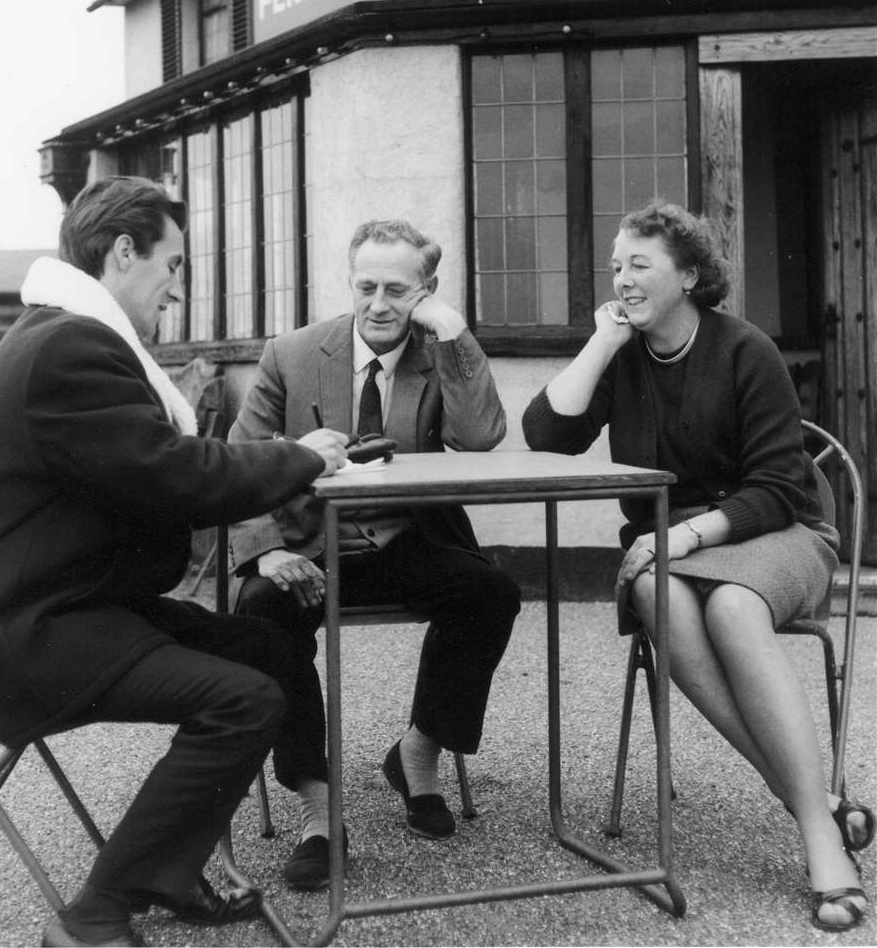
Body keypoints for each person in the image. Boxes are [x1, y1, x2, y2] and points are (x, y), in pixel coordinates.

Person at [0, 177, 349, 948]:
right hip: (19, 636)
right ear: (124, 251)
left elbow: (156, 475)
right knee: (244, 697)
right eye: (173, 263)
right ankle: (94, 913)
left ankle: (173, 868)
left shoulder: (62, 336)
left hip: (49, 607)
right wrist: (297, 457)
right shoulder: (68, 347)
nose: (177, 289)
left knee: (269, 648)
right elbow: (171, 476)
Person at [521, 200, 870, 933]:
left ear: (687, 274)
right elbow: (547, 436)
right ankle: (823, 805)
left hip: (780, 534)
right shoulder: (624, 357)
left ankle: (816, 830)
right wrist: (599, 342)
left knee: (733, 605)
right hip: (668, 551)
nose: (621, 279)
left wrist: (686, 538)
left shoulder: (745, 350)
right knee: (655, 590)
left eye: (639, 264)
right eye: (615, 266)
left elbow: (780, 487)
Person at [227, 218, 523, 891]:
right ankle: (317, 805)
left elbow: (479, 437)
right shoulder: (293, 353)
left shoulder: (435, 348)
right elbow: (239, 461)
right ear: (350, 283)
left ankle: (417, 755)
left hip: (406, 539)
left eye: (399, 289)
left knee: (491, 593)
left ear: (426, 291)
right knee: (263, 611)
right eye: (367, 286)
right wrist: (266, 552)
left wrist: (452, 330)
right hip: (309, 546)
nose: (380, 303)